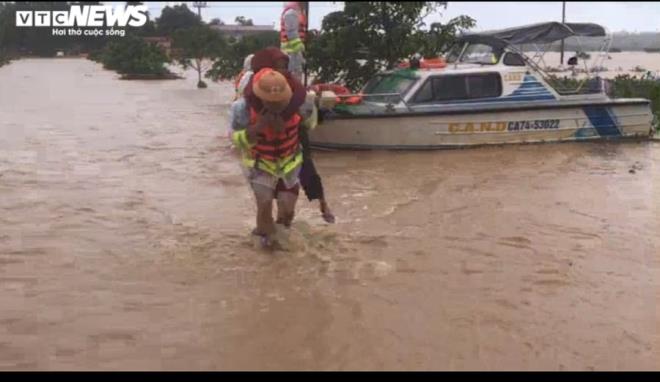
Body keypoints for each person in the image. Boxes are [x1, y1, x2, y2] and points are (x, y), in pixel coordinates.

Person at [245, 47, 335, 223]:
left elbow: (301, 98)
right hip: (262, 143)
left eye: (284, 66)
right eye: (278, 66)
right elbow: (248, 101)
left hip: (292, 133)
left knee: (307, 166)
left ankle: (322, 203)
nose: (283, 70)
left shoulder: (290, 82)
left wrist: (286, 116)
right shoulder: (253, 84)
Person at [231, 68, 304, 248]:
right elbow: (234, 139)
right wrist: (256, 129)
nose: (276, 105)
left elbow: (310, 125)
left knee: (287, 212)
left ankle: (280, 232)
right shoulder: (242, 109)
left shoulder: (301, 104)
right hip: (260, 165)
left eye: (280, 102)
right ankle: (267, 243)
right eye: (271, 102)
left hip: (289, 166)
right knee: (264, 205)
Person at [280, 1, 307, 82]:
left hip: (292, 50)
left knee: (295, 74)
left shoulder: (293, 12)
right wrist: (300, 47)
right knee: (294, 75)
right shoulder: (291, 13)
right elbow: (291, 31)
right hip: (292, 51)